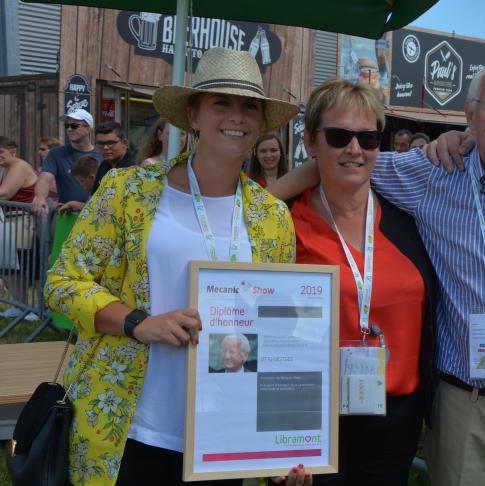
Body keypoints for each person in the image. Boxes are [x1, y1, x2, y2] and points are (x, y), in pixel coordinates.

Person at [272, 59, 485, 485]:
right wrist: (264, 204)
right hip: (460, 406)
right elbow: (343, 163)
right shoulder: (432, 174)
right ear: (469, 116)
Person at [44, 48, 306, 486]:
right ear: (193, 116)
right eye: (221, 102)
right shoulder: (129, 190)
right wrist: (137, 323)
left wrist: (281, 442)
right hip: (130, 424)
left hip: (222, 435)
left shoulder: (272, 216)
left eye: (249, 106)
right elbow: (62, 282)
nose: (236, 116)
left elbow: (279, 331)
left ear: (262, 122)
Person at [275, 79, 436, 486]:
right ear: (311, 142)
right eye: (338, 136)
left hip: (396, 413)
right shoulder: (283, 223)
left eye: (367, 138)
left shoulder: (409, 219)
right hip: (310, 409)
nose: (354, 149)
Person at [31, 108, 101, 215]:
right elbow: (44, 179)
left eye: (74, 126)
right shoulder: (56, 153)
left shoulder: (102, 155)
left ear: (88, 129)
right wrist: (40, 198)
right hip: (67, 215)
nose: (69, 129)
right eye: (66, 126)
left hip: (95, 215)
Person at [93, 122, 137, 193]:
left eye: (110, 143)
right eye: (100, 143)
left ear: (125, 143)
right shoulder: (104, 165)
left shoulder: (135, 167)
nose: (105, 147)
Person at [0, 136, 38, 204]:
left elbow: (4, 194)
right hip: (9, 213)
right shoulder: (4, 167)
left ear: (13, 152)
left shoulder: (20, 166)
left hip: (23, 213)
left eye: (1, 152)